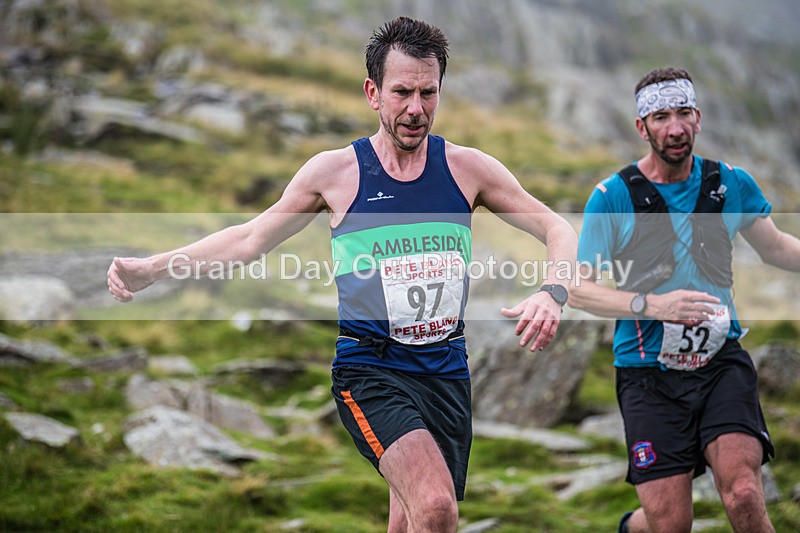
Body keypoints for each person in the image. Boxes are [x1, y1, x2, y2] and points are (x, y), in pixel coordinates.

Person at [107, 17, 577, 532]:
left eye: (428, 92)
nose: (416, 109)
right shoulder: (334, 173)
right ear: (373, 93)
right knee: (437, 508)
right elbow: (248, 239)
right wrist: (153, 268)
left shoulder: (468, 170)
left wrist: (553, 292)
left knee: (410, 516)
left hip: (445, 371)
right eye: (402, 92)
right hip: (371, 371)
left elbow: (556, 227)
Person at [571, 66, 800, 533]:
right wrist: (651, 306)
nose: (674, 128)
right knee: (670, 522)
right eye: (659, 117)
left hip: (720, 363)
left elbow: (776, 247)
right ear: (642, 127)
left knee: (742, 492)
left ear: (698, 118)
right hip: (646, 375)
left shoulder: (730, 183)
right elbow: (579, 288)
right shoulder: (612, 197)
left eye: (682, 113)